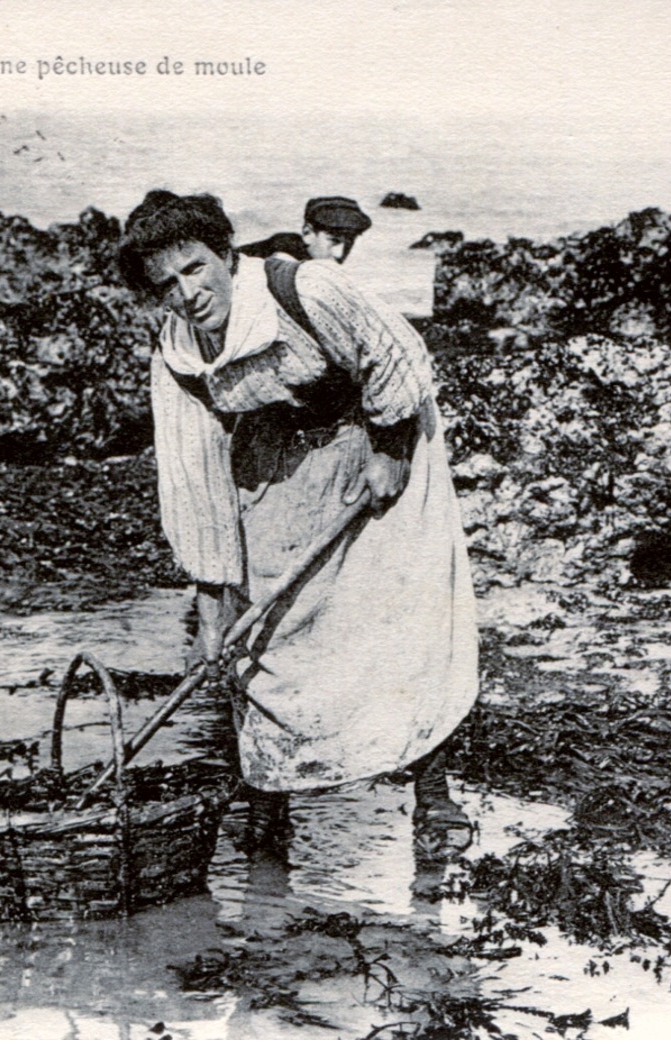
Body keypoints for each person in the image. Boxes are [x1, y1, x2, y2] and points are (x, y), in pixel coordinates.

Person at [117, 190, 479, 862]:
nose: (188, 293)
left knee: (408, 619)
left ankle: (433, 792)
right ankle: (268, 797)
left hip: (372, 433)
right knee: (265, 630)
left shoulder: (302, 287)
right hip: (273, 454)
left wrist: (392, 448)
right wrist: (209, 596)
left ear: (226, 253)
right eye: (166, 284)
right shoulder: (177, 353)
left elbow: (395, 355)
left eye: (194, 268)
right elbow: (192, 475)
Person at [238, 195, 374, 265]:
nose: (340, 253)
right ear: (307, 233)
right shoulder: (284, 259)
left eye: (351, 241)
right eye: (334, 241)